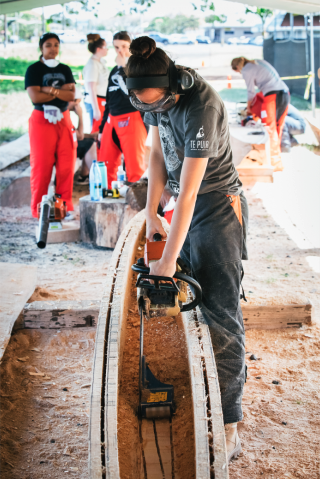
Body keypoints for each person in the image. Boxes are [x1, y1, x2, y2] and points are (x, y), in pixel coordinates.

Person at [126, 36, 249, 463]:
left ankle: (230, 422)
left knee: (219, 310)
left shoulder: (203, 105)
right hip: (184, 202)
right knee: (191, 306)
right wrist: (153, 212)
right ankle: (202, 388)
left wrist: (164, 263)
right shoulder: (154, 101)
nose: (153, 111)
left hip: (216, 206)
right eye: (146, 106)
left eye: (157, 103)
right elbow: (156, 154)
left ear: (174, 84)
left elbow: (194, 191)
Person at [25, 32, 76, 218]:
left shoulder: (65, 68)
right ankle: (38, 210)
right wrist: (60, 91)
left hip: (63, 119)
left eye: (56, 45)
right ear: (41, 47)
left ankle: (64, 207)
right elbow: (35, 97)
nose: (53, 49)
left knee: (66, 165)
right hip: (41, 120)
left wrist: (49, 89)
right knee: (41, 166)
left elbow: (71, 96)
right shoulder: (33, 70)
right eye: (48, 45)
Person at [99, 31, 147, 188]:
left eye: (124, 47)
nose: (120, 51)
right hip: (111, 119)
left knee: (135, 166)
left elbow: (132, 94)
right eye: (116, 47)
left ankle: (138, 205)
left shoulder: (137, 68)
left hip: (131, 117)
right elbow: (108, 98)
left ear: (131, 47)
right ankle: (108, 197)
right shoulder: (114, 70)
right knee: (105, 164)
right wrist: (101, 129)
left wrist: (123, 68)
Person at [231, 57, 290, 171]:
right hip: (285, 93)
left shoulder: (246, 70)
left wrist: (248, 108)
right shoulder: (258, 62)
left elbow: (250, 91)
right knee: (278, 127)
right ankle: (277, 161)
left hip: (272, 95)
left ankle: (273, 163)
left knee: (269, 128)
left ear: (237, 67)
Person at [68, 90, 98, 183]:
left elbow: (73, 133)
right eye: (78, 102)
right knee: (89, 144)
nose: (78, 106)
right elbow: (79, 136)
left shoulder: (65, 112)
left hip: (64, 144)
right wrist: (80, 115)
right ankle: (95, 179)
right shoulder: (64, 113)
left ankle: (84, 176)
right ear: (71, 101)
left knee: (89, 140)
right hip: (63, 148)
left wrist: (91, 135)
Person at [83, 34, 109, 134]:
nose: (107, 49)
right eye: (105, 47)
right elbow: (91, 88)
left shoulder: (100, 62)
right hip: (96, 101)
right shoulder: (92, 65)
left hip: (103, 100)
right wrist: (96, 109)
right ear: (98, 49)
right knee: (97, 131)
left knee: (103, 130)